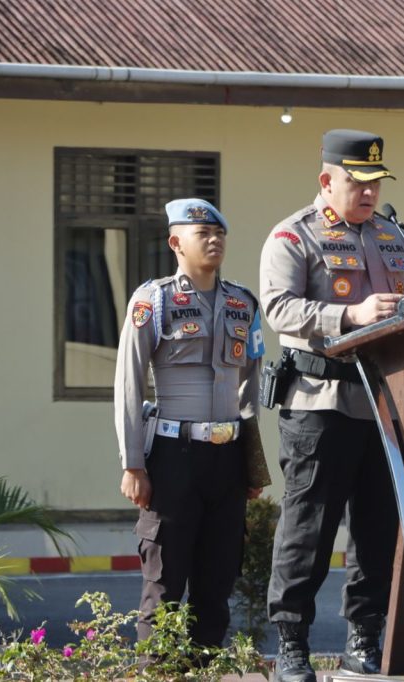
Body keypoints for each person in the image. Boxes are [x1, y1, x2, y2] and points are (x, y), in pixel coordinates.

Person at [259, 129, 404, 682]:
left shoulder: (393, 234)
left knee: (377, 531)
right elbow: (278, 309)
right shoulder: (293, 236)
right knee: (308, 530)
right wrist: (348, 316)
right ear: (327, 180)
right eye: (359, 183)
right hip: (319, 405)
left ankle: (363, 637)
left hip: (384, 405)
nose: (370, 194)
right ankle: (291, 646)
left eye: (377, 183)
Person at [114, 197, 269, 650]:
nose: (215, 240)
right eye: (203, 234)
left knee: (216, 590)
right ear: (175, 241)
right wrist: (133, 463)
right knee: (163, 588)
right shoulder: (153, 300)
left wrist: (251, 463)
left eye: (220, 233)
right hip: (171, 459)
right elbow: (128, 382)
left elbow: (251, 388)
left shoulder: (242, 303)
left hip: (226, 462)